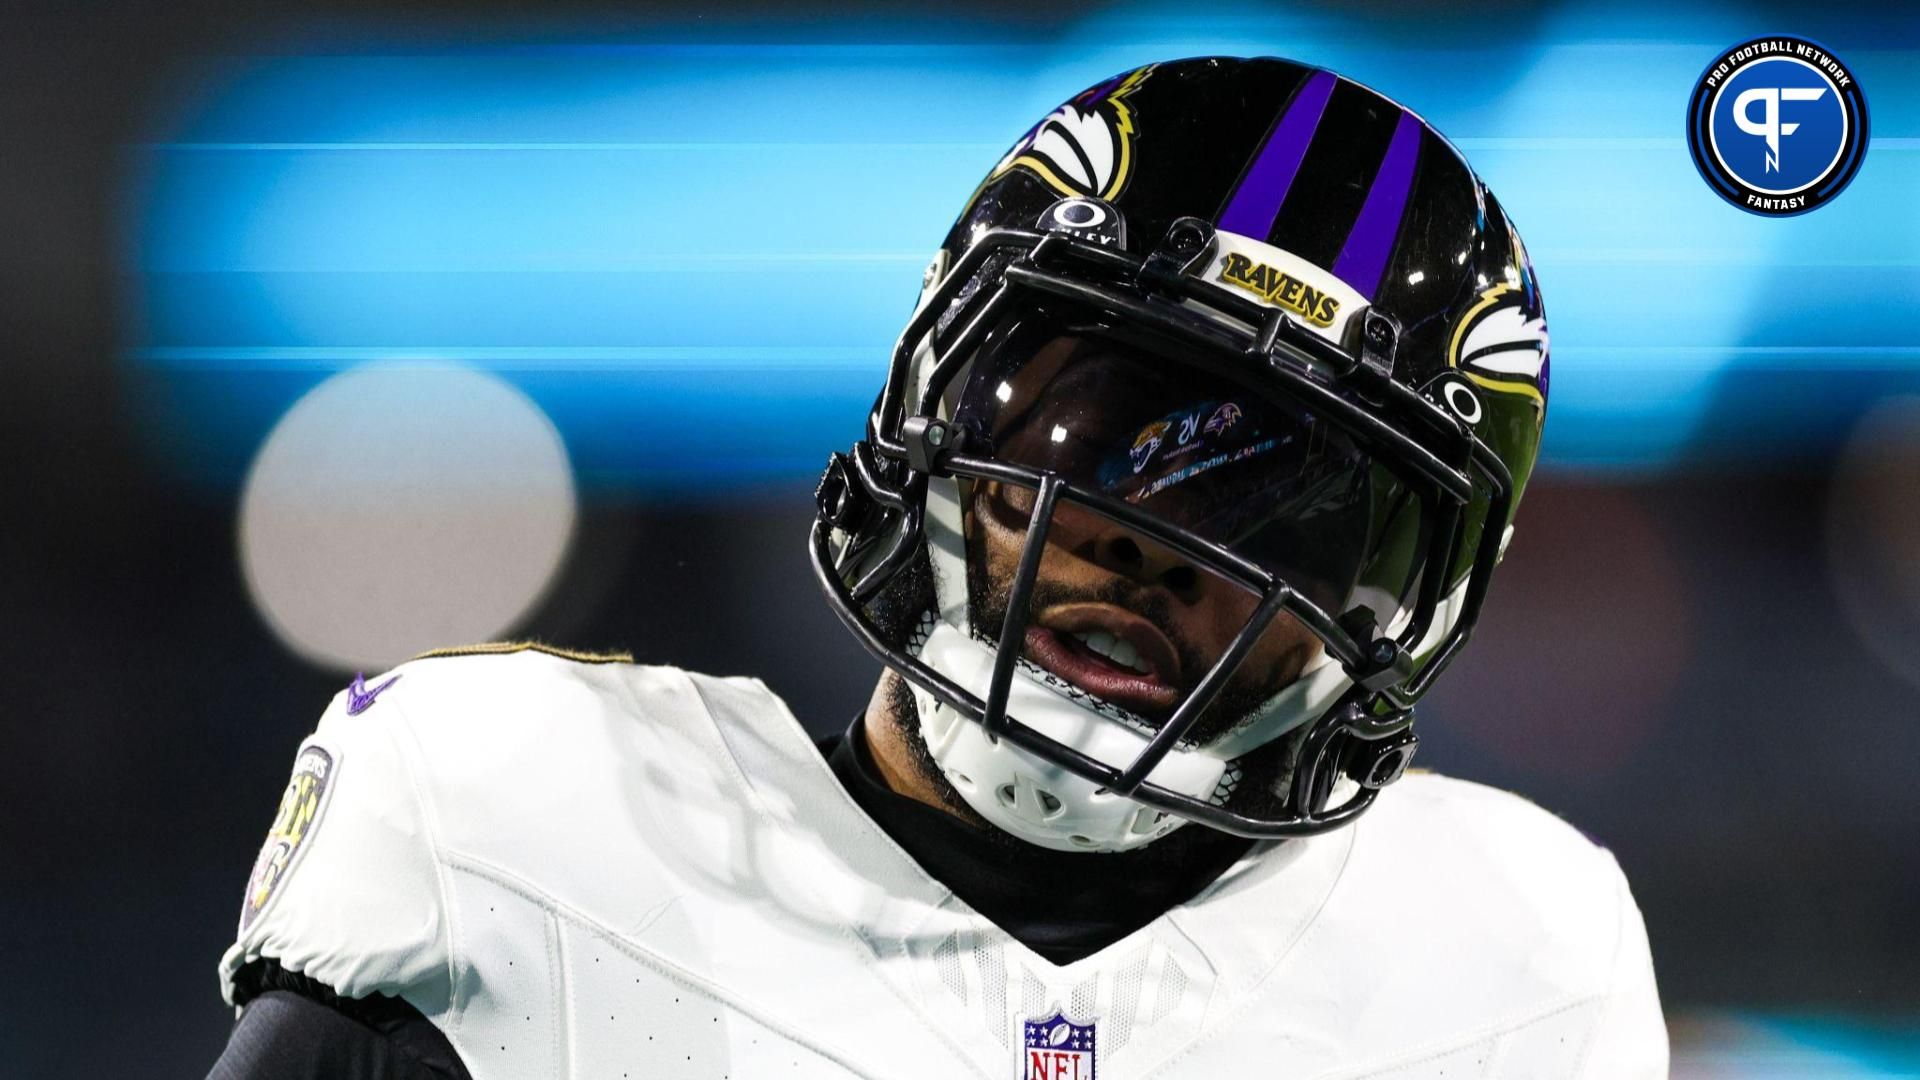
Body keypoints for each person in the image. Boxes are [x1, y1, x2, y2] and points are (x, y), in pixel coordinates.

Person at [208, 56, 1665, 1079]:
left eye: (1291, 516)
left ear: (1402, 615)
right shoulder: (506, 821)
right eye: (1094, 427)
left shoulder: (1515, 957)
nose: (1151, 545)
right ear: (933, 402)